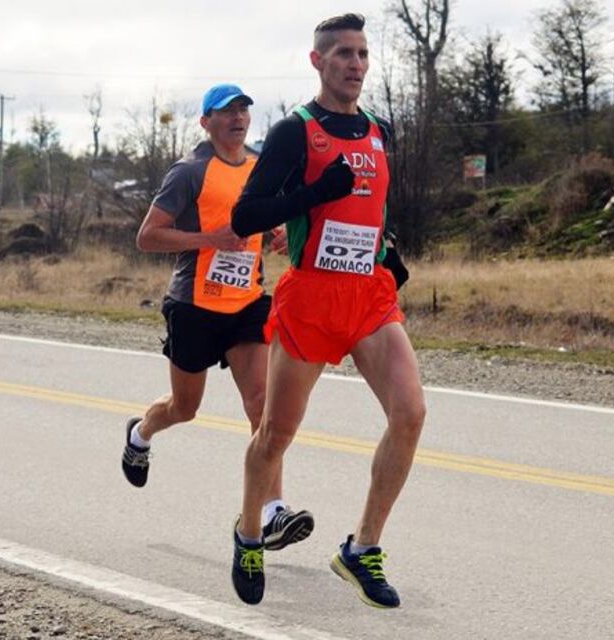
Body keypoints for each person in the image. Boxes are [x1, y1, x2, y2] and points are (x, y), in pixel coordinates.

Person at [228, 14, 426, 609]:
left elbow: (374, 205)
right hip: (311, 297)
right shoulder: (296, 131)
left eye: (363, 54)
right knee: (276, 435)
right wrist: (316, 193)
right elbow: (245, 217)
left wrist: (387, 251)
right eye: (343, 53)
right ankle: (248, 534)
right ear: (318, 62)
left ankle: (361, 549)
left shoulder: (380, 130)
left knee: (411, 413)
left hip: (369, 296)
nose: (356, 64)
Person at [121, 83, 314, 552]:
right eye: (227, 112)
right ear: (206, 122)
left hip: (247, 304)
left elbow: (262, 219)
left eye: (244, 110)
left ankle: (271, 511)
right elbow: (148, 237)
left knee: (262, 406)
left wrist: (277, 235)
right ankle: (141, 433)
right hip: (193, 307)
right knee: (184, 408)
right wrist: (211, 240)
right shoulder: (189, 172)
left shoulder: (258, 165)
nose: (238, 118)